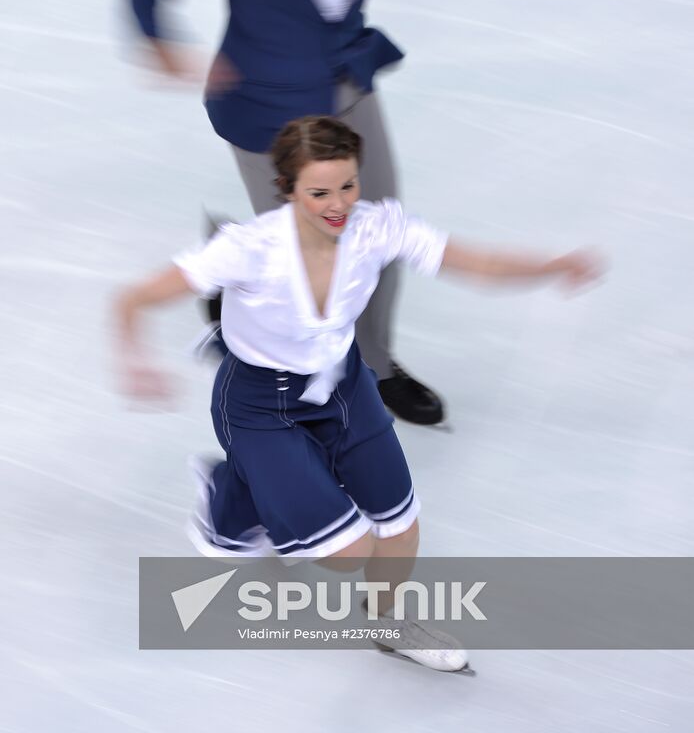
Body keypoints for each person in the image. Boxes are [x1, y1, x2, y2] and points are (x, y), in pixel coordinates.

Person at [128, 0, 610, 426]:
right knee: (295, 251)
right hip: (264, 103)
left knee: (375, 228)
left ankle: (377, 366)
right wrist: (158, 41)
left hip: (345, 83)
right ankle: (229, 276)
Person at [115, 115, 602, 672]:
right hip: (260, 404)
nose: (338, 204)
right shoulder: (248, 249)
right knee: (347, 554)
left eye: (347, 185)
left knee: (399, 526)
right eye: (318, 191)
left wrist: (553, 265)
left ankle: (388, 624)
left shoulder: (377, 229)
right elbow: (133, 299)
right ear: (288, 188)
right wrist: (134, 356)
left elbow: (478, 264)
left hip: (344, 386)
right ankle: (232, 487)